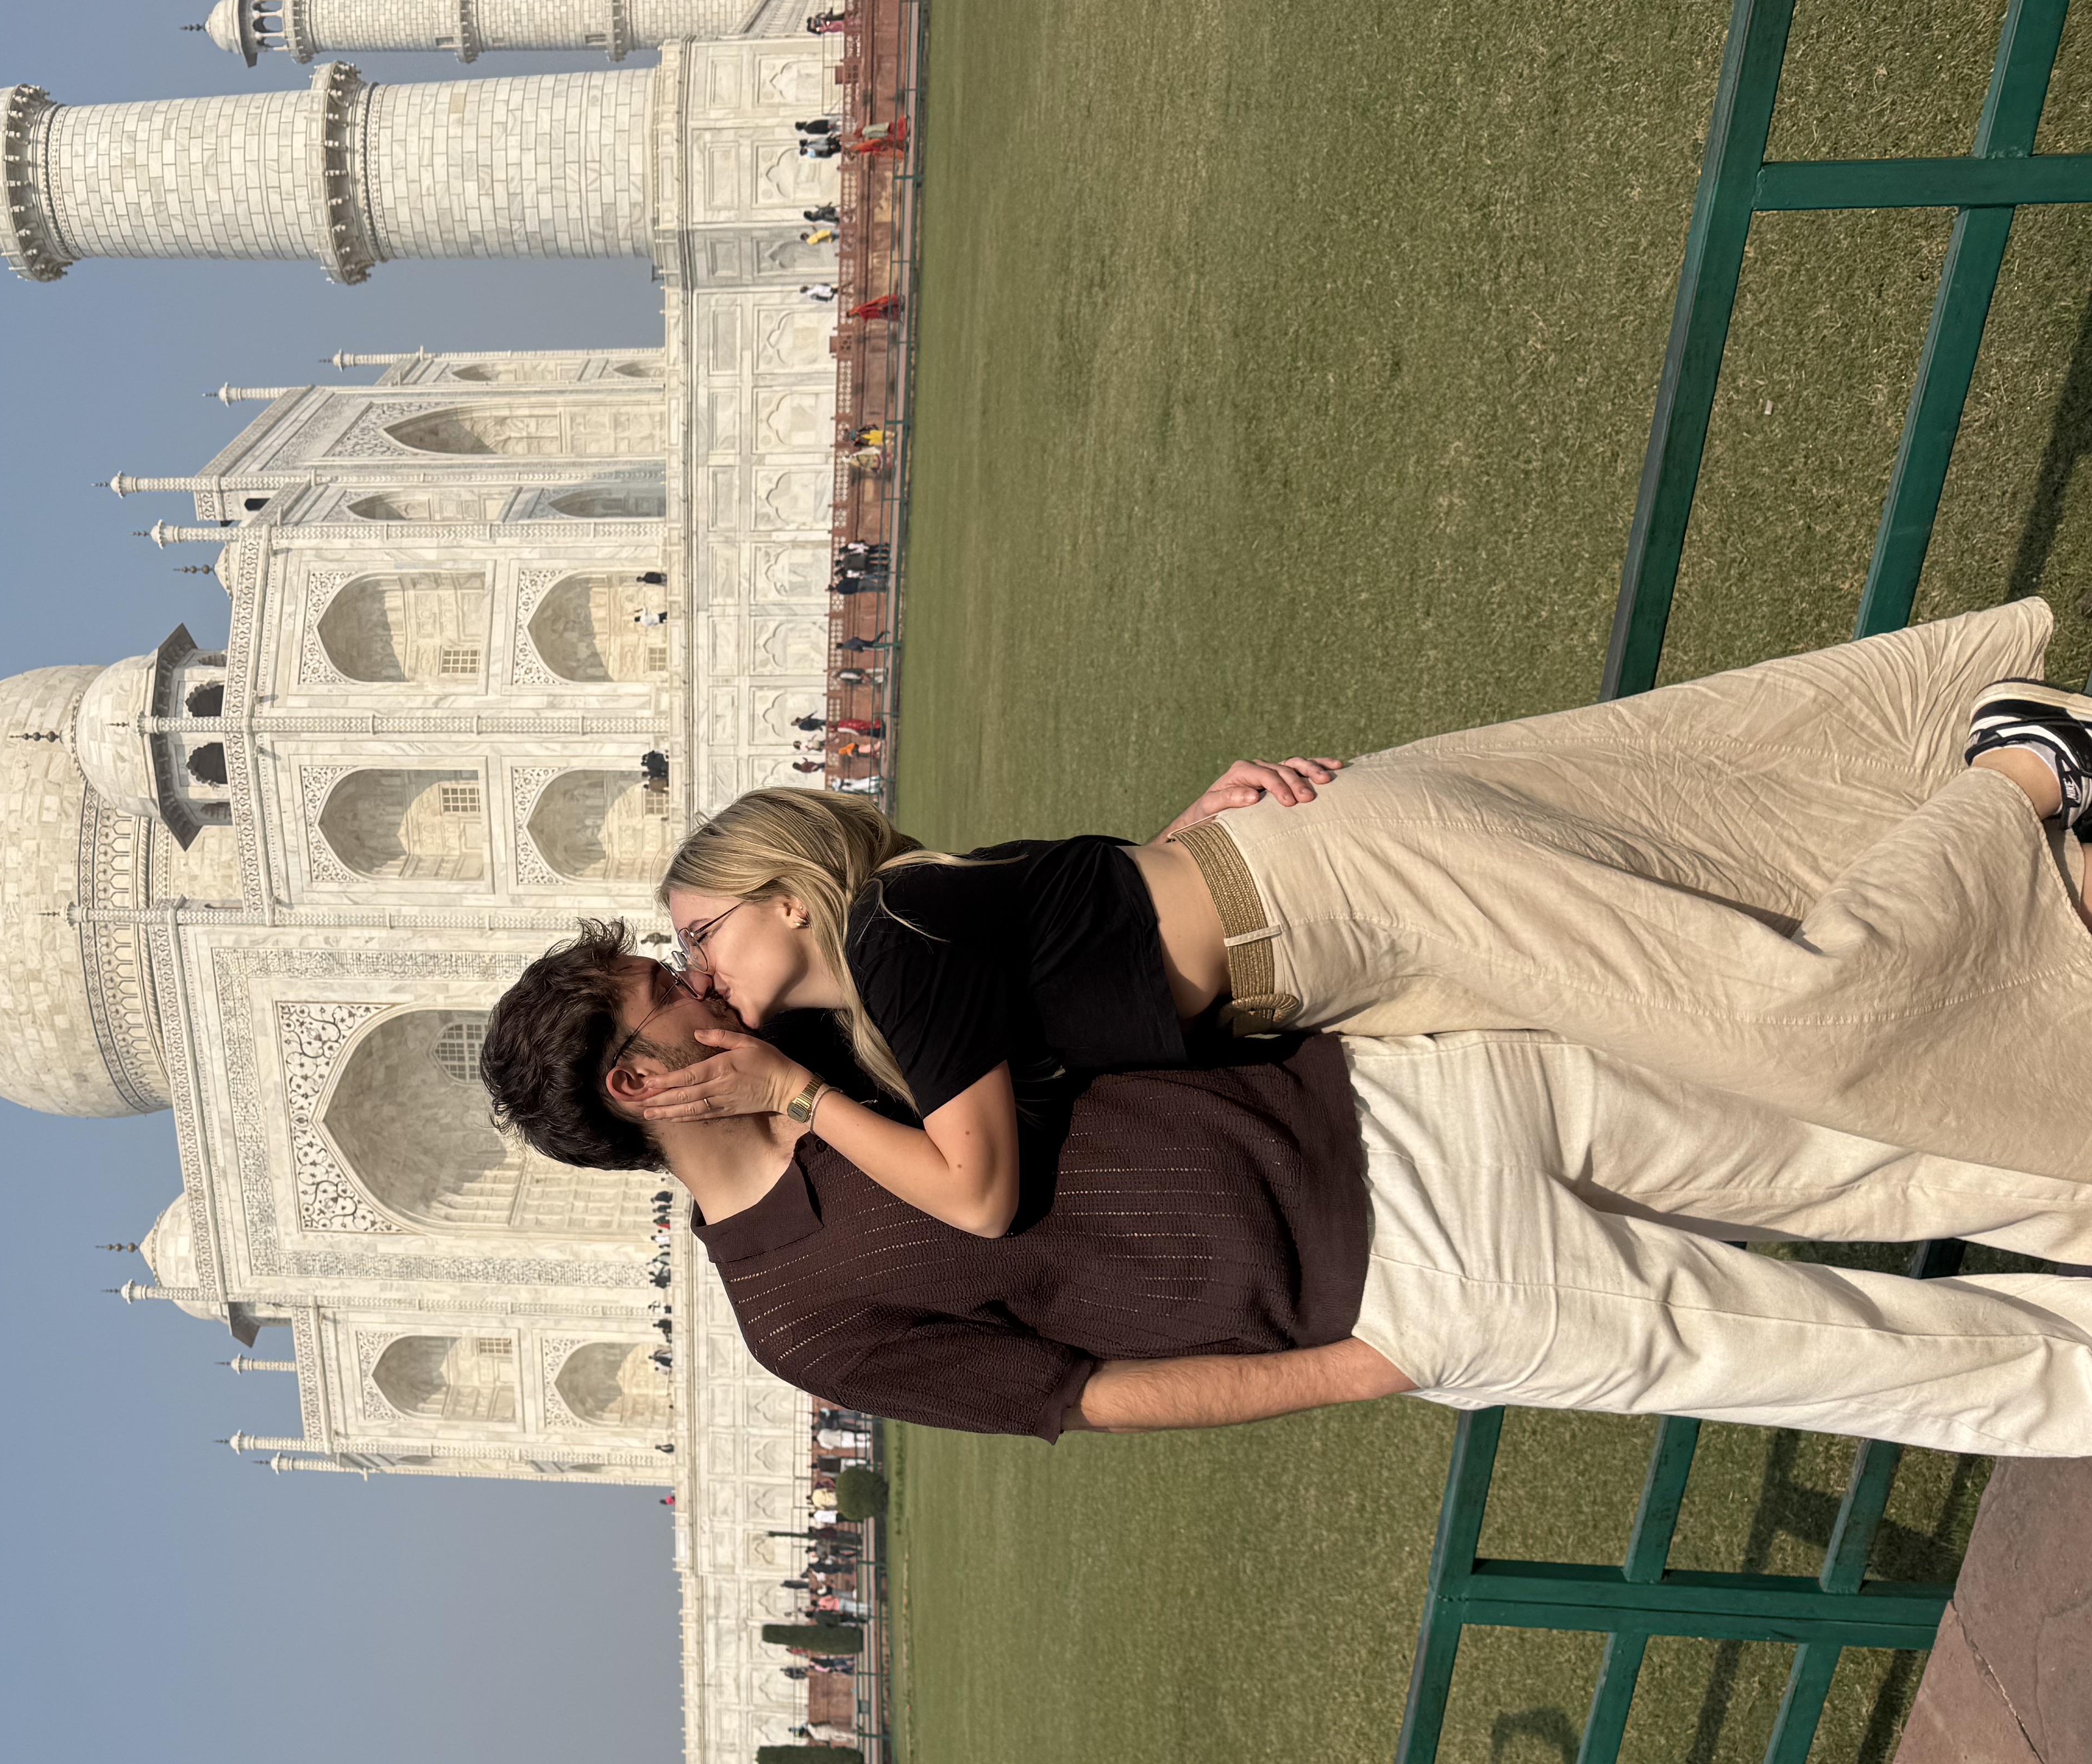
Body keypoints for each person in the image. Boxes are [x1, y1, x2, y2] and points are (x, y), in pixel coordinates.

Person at [635, 605, 2092, 1229]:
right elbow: (1109, 928)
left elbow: (976, 1191)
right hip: (1331, 908)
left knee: (1768, 1009)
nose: (702, 967)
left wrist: (790, 1099)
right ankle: (2040, 853)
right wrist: (1195, 826)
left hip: (1352, 891)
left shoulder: (895, 938)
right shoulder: (920, 911)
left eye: (704, 932)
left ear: (782, 893)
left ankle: (2022, 766)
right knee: (1727, 863)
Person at [475, 919, 2092, 1458]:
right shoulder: (797, 1311)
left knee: (1885, 1137)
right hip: (1405, 1284)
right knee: (1875, 1356)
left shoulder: (837, 1017)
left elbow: (1055, 944)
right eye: (663, 993)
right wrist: (1363, 1367)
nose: (700, 984)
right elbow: (1082, 1398)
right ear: (642, 1084)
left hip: (1408, 1086)